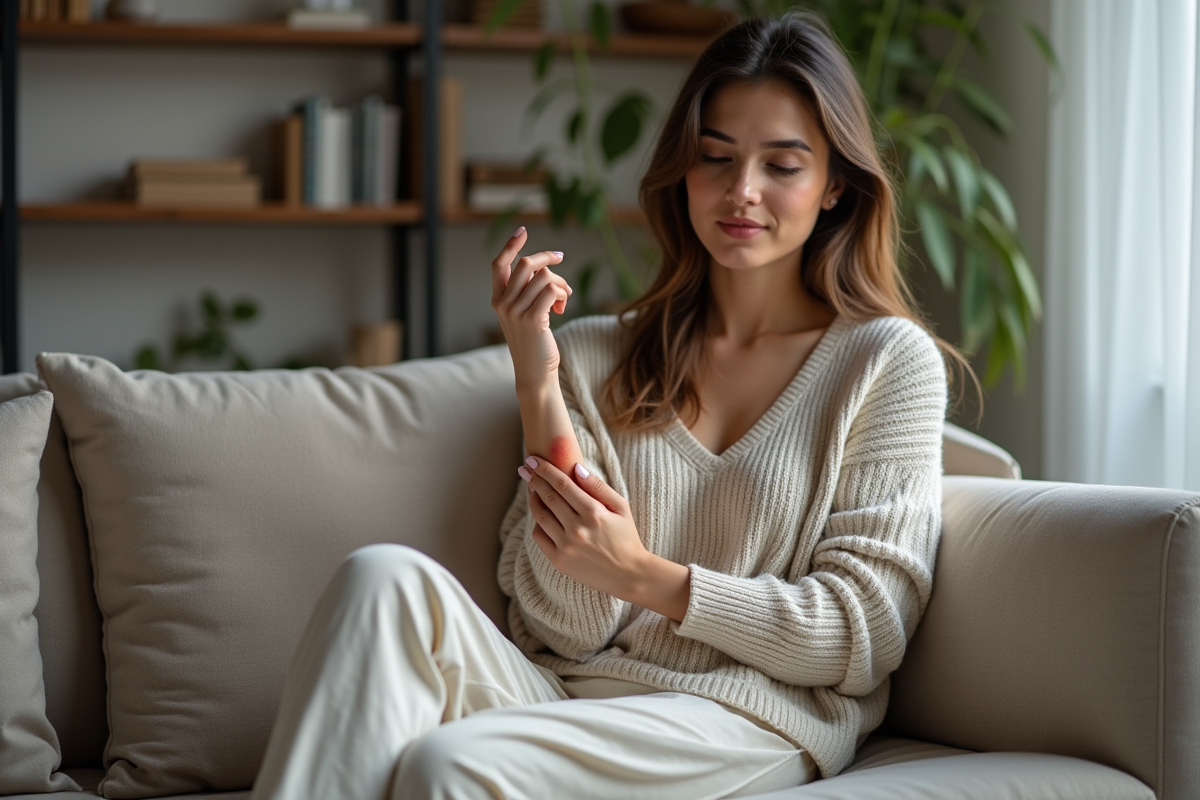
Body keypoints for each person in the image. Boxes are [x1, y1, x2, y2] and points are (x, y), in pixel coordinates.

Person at [250, 10, 960, 800]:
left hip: (747, 716)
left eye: (782, 166)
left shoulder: (884, 362)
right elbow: (564, 626)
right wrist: (535, 377)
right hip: (569, 696)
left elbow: (861, 633)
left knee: (448, 765)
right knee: (379, 579)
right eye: (715, 157)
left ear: (835, 185)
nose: (741, 191)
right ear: (681, 172)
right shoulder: (588, 354)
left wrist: (646, 576)